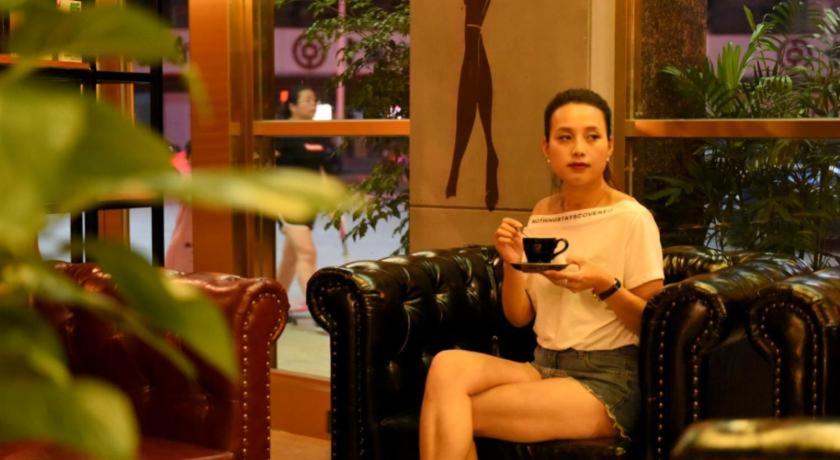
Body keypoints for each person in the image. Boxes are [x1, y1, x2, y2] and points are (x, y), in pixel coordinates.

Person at [419, 89, 665, 460]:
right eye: (565, 138)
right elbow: (519, 316)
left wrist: (604, 285)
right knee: (446, 367)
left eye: (592, 137)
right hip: (543, 365)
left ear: (610, 146)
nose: (578, 149)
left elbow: (653, 325)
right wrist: (512, 262)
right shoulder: (543, 213)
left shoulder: (633, 218)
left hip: (608, 379)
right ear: (547, 148)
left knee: (451, 413)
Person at [274, 84, 337, 313]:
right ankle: (320, 310)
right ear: (292, 106)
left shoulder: (316, 133)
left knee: (291, 257)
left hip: (309, 203)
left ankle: (274, 303)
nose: (313, 104)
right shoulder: (280, 133)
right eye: (307, 100)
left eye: (314, 100)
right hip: (287, 201)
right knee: (307, 253)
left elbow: (321, 170)